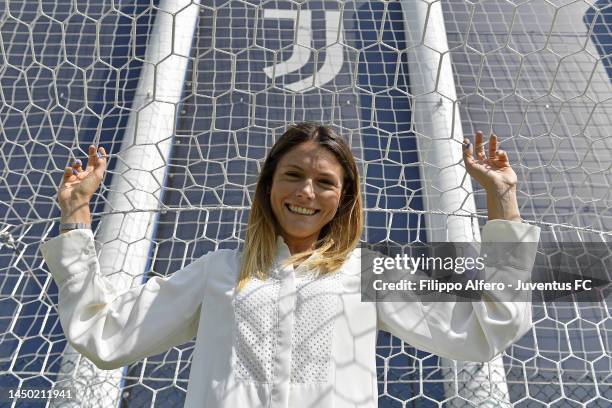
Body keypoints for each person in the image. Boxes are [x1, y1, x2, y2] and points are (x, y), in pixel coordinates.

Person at [40, 122, 540, 408]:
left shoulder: (365, 271)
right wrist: (76, 214)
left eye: (325, 183)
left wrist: (504, 202)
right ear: (267, 188)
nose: (306, 192)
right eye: (293, 175)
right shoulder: (219, 271)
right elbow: (106, 336)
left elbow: (484, 330)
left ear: (344, 200)